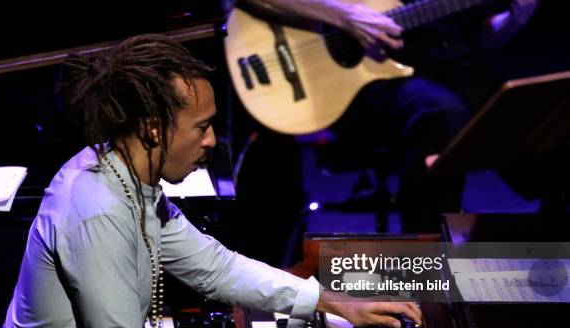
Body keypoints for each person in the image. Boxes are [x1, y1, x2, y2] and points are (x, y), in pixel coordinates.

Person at [0, 33, 422, 328]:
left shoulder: (126, 178)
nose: (213, 141)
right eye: (202, 127)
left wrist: (330, 301)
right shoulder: (99, 211)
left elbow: (215, 266)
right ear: (154, 129)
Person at [231, 0, 540, 234]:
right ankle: (424, 272)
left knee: (536, 115)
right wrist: (342, 14)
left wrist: (514, 19)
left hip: (430, 73)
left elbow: (465, 41)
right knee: (441, 114)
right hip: (330, 82)